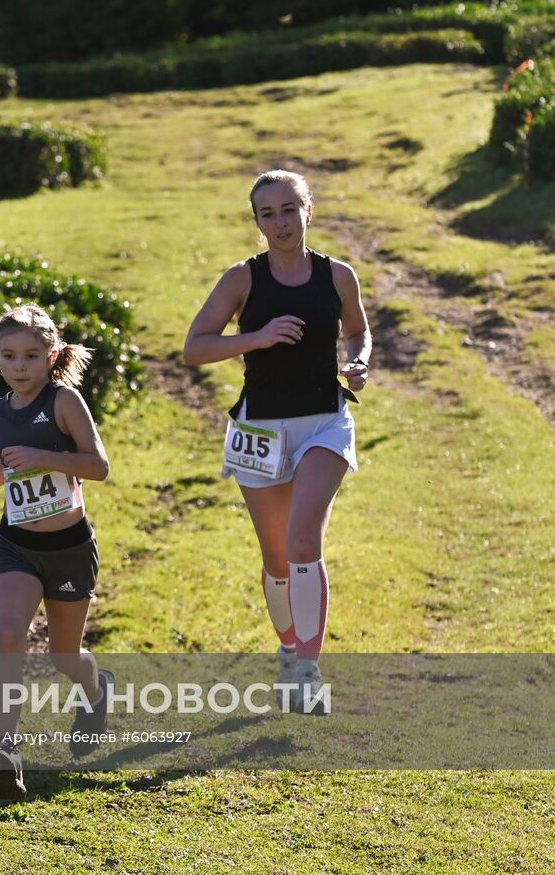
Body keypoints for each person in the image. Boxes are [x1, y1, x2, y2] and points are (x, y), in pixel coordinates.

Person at [182, 170, 371, 714]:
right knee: (276, 558)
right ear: (258, 222)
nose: (281, 222)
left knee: (303, 542)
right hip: (259, 430)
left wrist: (358, 360)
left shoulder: (338, 275)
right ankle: (289, 651)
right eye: (269, 214)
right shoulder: (242, 279)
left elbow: (357, 329)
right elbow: (195, 348)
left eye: (290, 209)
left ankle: (308, 673)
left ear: (308, 211)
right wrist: (257, 338)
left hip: (323, 423)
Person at [0, 304, 114, 800]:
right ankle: (6, 749)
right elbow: (0, 469)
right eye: (9, 356)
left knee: (64, 655)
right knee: (8, 635)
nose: (20, 366)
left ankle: (97, 692)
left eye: (31, 356)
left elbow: (97, 466)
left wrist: (44, 457)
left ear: (51, 357)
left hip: (70, 547)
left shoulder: (64, 401)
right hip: (18, 546)